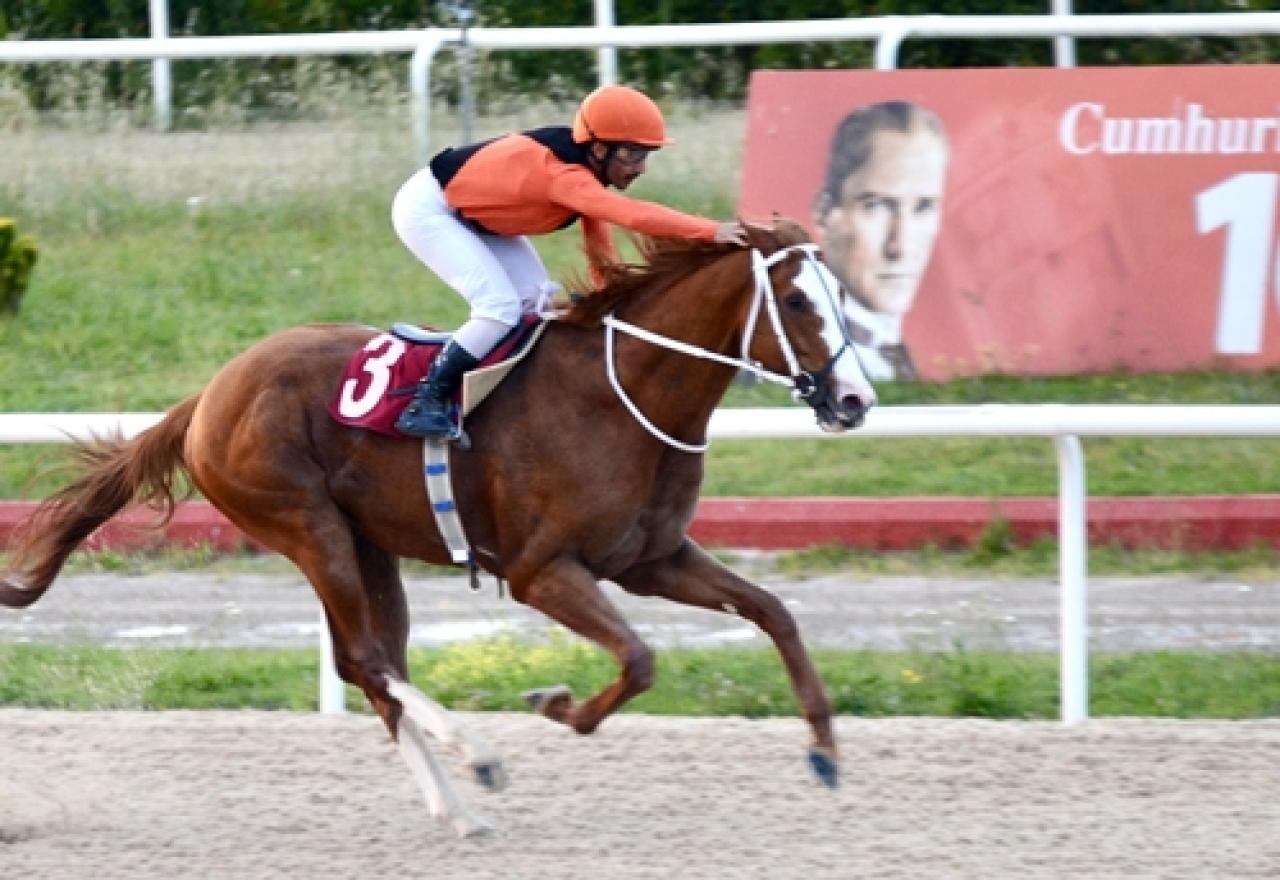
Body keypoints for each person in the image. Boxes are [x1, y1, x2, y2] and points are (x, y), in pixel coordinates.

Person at [390, 84, 748, 438]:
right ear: (598, 147)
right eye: (632, 154)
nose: (640, 168)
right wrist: (712, 230)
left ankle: (503, 395)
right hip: (430, 210)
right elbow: (632, 216)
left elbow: (597, 234)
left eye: (645, 155)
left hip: (478, 219)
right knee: (498, 308)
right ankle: (427, 398)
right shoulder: (562, 175)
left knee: (538, 303)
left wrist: (605, 291)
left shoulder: (585, 166)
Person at [812, 100, 950, 382]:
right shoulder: (790, 352)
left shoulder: (896, 350)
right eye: (875, 206)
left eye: (923, 207)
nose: (899, 247)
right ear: (825, 213)